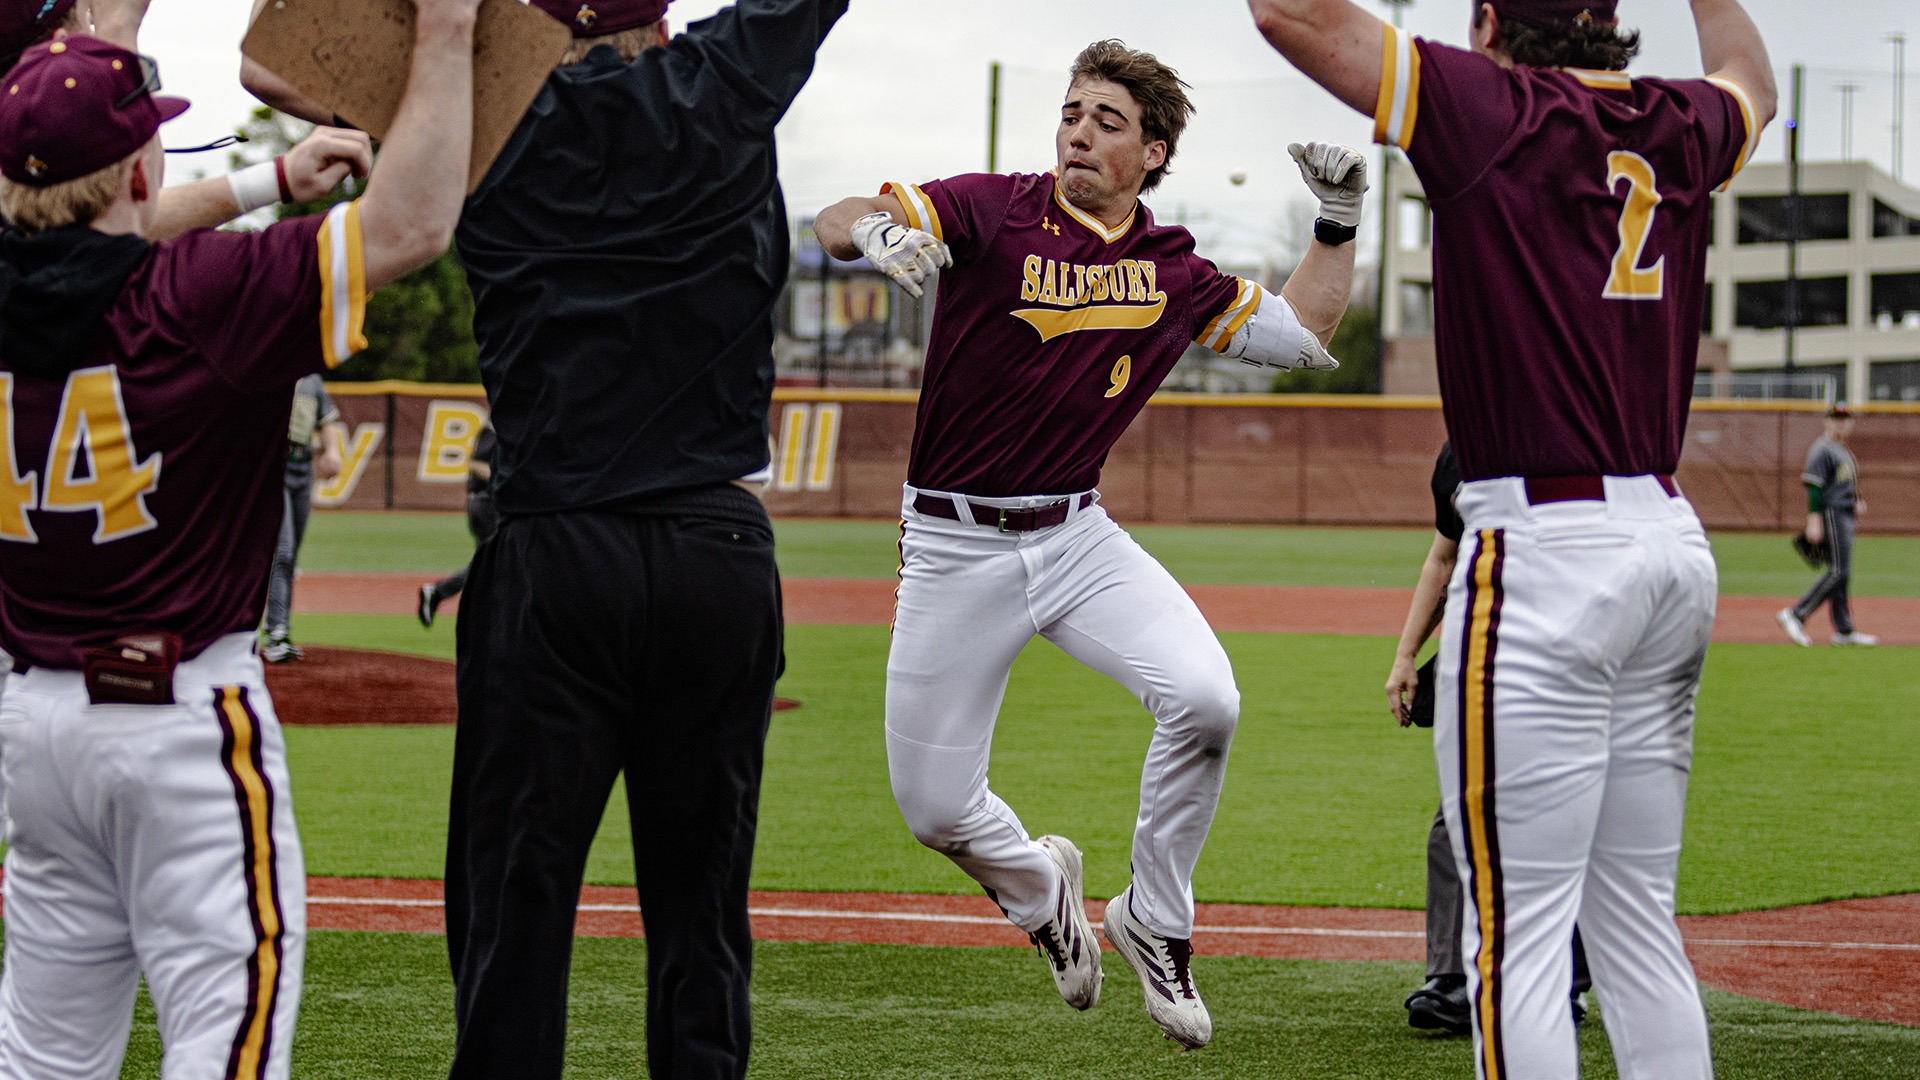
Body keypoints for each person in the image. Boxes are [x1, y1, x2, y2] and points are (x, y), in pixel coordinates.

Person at [1249, 1, 1775, 1076]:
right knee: (1637, 929)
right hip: (1669, 539)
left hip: (1544, 548)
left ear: (1490, 22)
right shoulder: (1679, 120)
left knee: (1519, 946)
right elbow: (1751, 76)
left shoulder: (1489, 104)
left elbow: (1286, 12)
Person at [814, 40, 1360, 1050]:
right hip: (953, 543)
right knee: (934, 809)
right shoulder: (992, 208)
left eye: (1108, 121)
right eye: (1072, 112)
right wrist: (875, 231)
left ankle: (1154, 917)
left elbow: (1300, 336)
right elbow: (836, 216)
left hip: (1074, 534)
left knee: (1207, 699)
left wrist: (1337, 223)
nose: (1078, 131)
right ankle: (1040, 891)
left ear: (1152, 153)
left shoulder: (1170, 266)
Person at [0, 0, 478, 1071]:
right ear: (135, 173)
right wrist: (446, 32)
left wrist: (265, 182)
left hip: (31, 735)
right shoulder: (199, 301)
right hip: (178, 727)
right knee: (228, 1045)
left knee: (39, 1060)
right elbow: (409, 227)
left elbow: (79, 236)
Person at [443, 2, 843, 1076]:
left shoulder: (485, 121)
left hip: (552, 556)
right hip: (714, 549)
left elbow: (288, 69)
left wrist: (454, 37)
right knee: (702, 915)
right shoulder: (728, 82)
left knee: (511, 912)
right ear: (660, 26)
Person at [1387, 443, 1590, 1037]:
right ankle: (1450, 979)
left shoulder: (1564, 438)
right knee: (1457, 811)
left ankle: (1564, 979)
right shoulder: (1458, 455)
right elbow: (1443, 558)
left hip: (1564, 646)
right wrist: (1405, 656)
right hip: (1476, 648)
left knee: (1561, 808)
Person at [262, 373, 344, 662]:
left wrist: (332, 450)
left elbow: (326, 420)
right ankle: (274, 633)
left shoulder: (312, 381)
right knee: (281, 552)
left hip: (303, 469)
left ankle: (280, 630)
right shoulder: (270, 372)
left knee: (290, 554)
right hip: (275, 468)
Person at [1778, 403, 1875, 647]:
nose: (1840, 423)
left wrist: (1856, 500)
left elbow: (1843, 483)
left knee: (1843, 573)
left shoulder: (1841, 450)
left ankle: (1843, 631)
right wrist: (1814, 520)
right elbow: (1814, 487)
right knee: (1838, 572)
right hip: (1831, 514)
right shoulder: (1822, 449)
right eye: (1836, 419)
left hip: (1844, 512)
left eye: (1844, 419)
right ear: (1827, 421)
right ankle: (1796, 614)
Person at [417, 418, 496, 628]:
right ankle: (440, 592)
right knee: (493, 562)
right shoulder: (495, 426)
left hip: (488, 502)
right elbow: (476, 463)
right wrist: (505, 479)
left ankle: (445, 595)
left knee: (494, 562)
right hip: (487, 502)